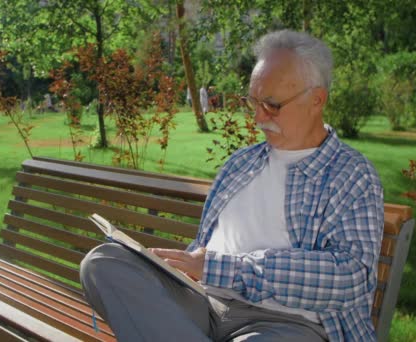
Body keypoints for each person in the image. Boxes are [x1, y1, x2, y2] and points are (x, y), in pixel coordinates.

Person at [80, 30, 384, 342]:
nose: (257, 117)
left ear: (317, 100)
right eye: (252, 101)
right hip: (203, 302)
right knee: (103, 263)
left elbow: (351, 277)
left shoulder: (351, 175)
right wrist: (178, 266)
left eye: (271, 105)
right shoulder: (241, 163)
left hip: (286, 324)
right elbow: (204, 246)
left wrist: (222, 268)